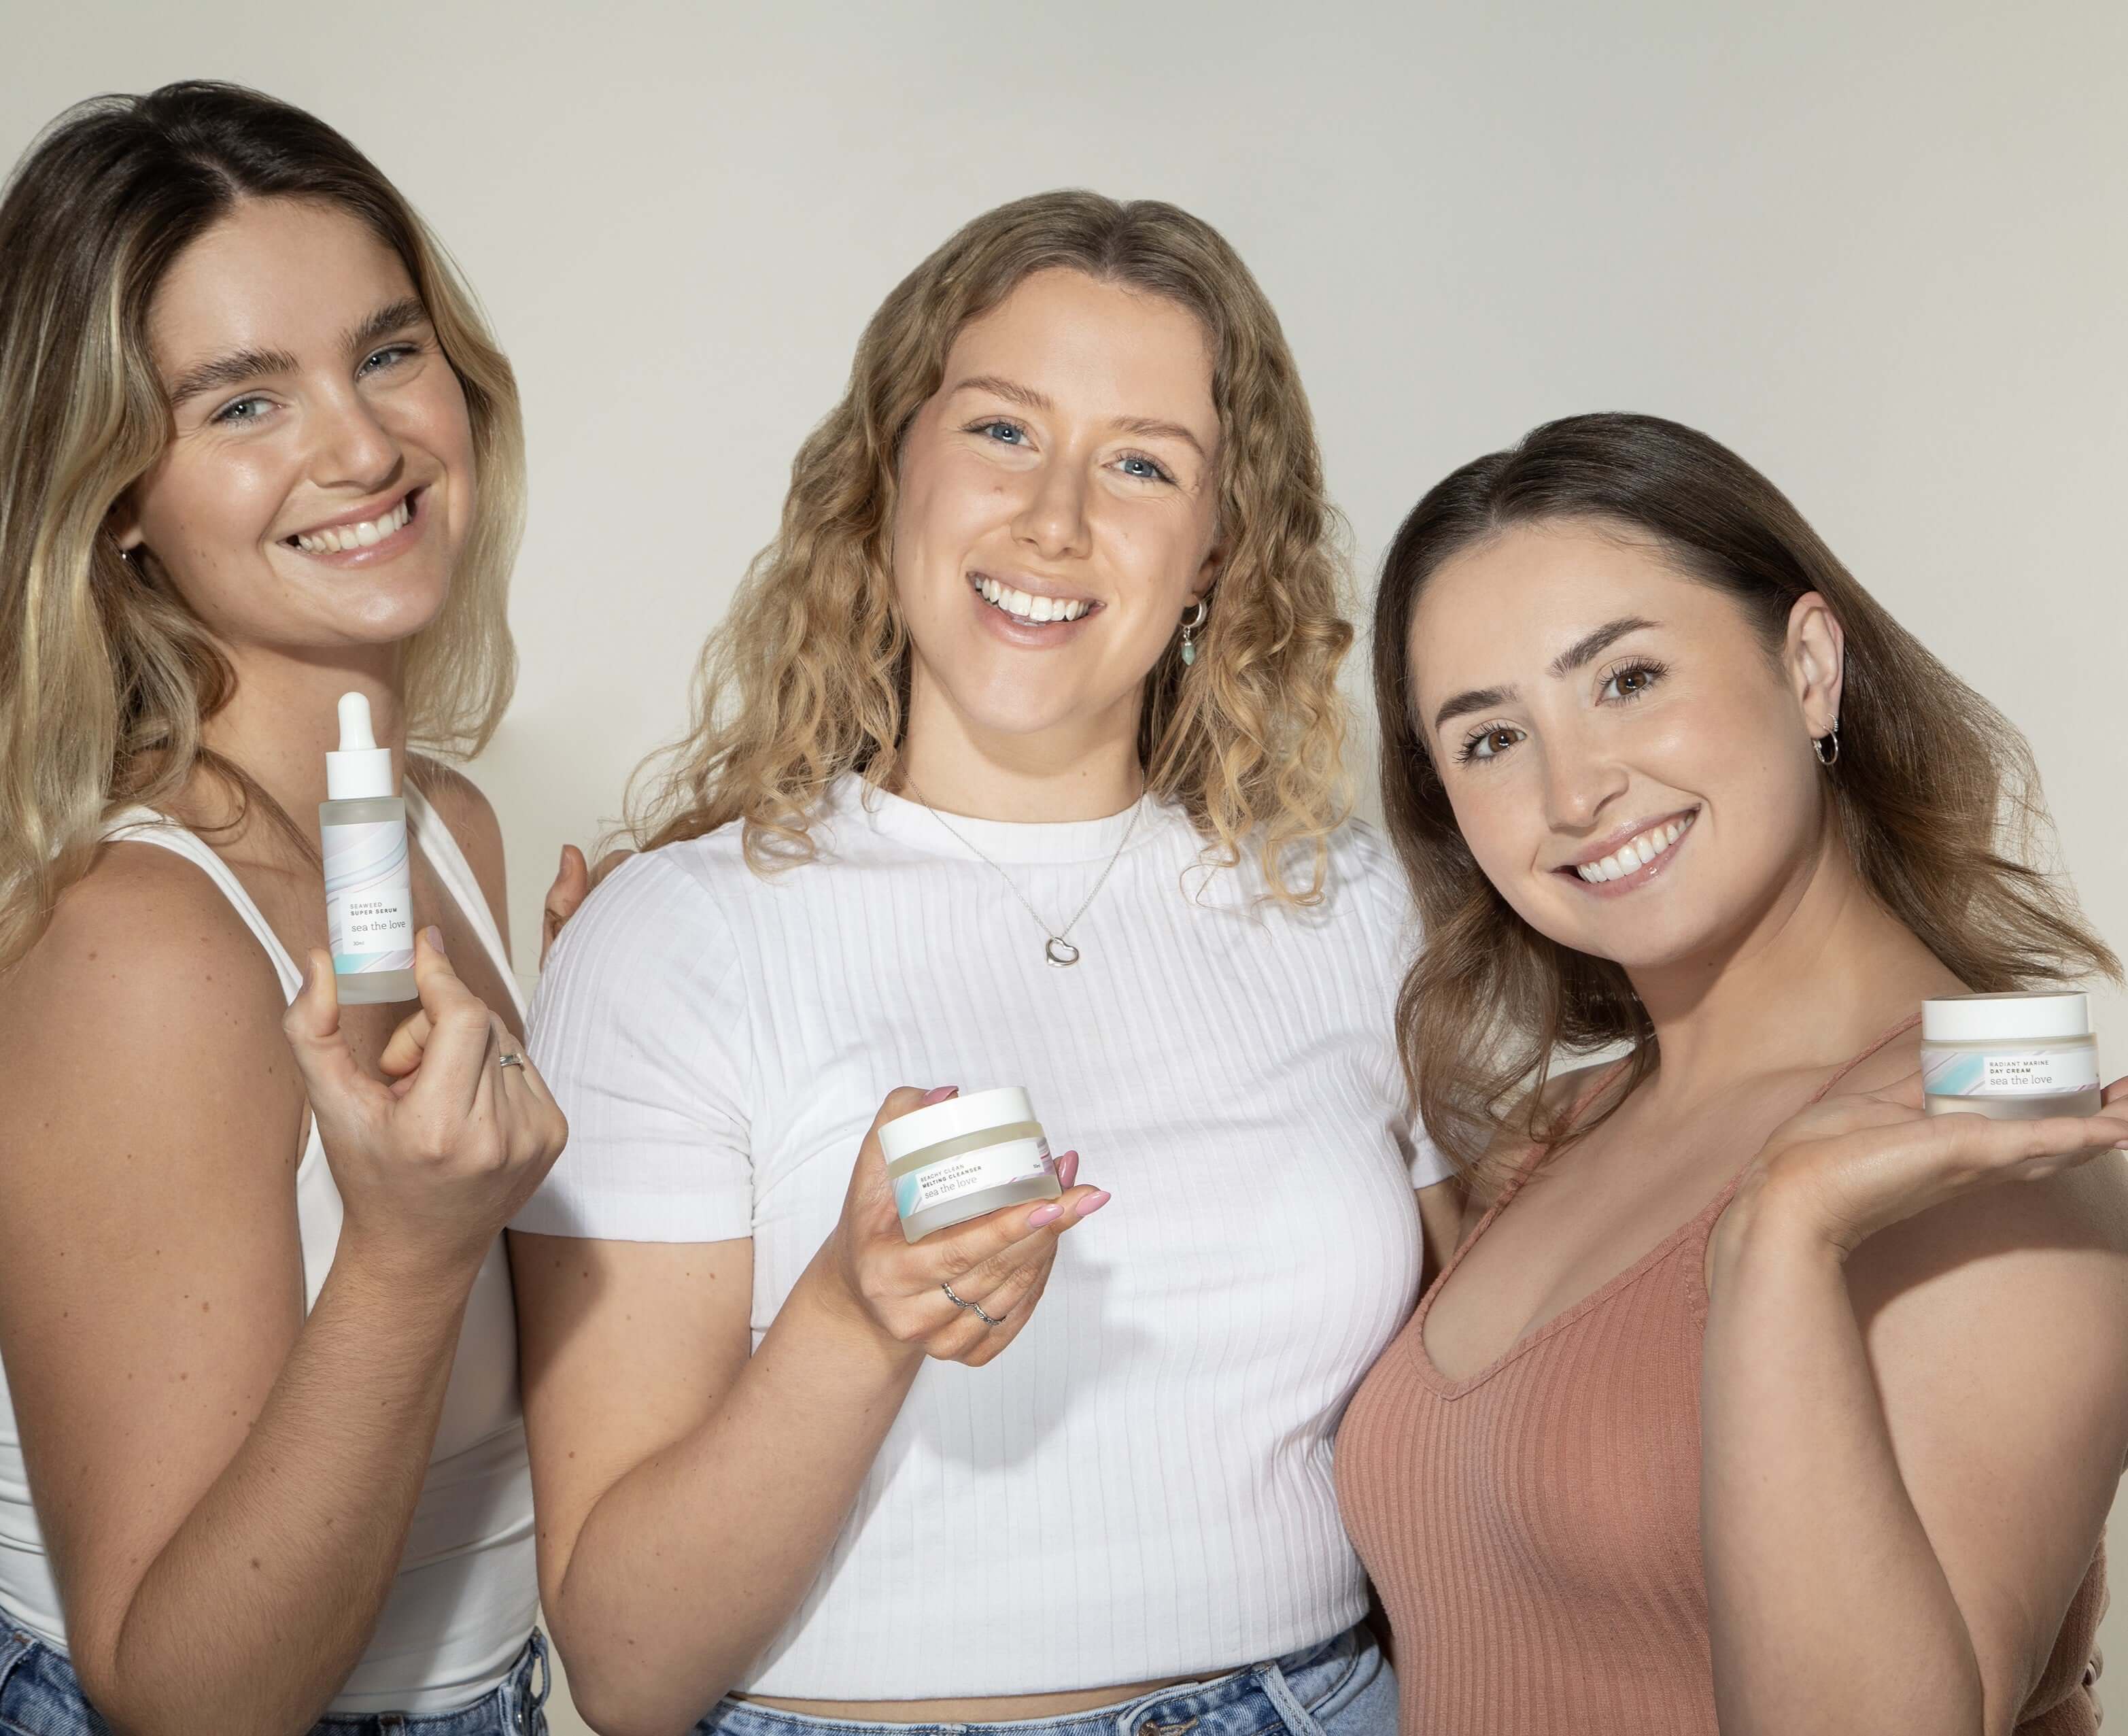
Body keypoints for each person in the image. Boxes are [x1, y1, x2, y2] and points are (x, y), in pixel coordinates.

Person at [511, 191, 1449, 1735]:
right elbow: (623, 1664)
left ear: (1220, 550)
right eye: (1004, 431)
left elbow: (1496, 1399)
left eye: (1143, 463)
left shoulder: (1351, 909)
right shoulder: (672, 936)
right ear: (890, 471)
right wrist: (852, 1314)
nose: (1056, 518)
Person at [1336, 410, 2128, 1735]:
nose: (1573, 788)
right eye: (1487, 737)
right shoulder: (1552, 1132)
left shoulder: (1993, 1128)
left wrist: (1776, 1238)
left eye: (1625, 678)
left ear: (1807, 667)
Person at [0, 83, 568, 1734]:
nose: (365, 443)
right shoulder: (136, 937)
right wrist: (404, 1258)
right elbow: (181, 1693)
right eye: (245, 402)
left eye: (388, 352)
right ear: (115, 494)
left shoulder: (442, 821)